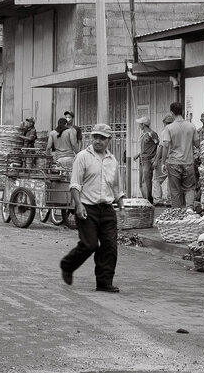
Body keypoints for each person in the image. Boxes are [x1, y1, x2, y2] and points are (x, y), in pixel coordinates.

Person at [59, 123, 122, 292]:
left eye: (102, 138)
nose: (98, 141)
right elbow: (75, 184)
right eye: (95, 137)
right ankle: (67, 265)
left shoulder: (112, 160)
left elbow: (116, 185)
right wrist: (78, 205)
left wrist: (120, 200)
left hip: (107, 208)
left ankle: (104, 282)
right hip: (87, 207)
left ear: (109, 139)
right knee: (90, 244)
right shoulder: (82, 157)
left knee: (110, 246)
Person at [156, 102, 199, 208]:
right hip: (188, 162)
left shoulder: (169, 128)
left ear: (171, 113)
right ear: (183, 111)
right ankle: (189, 210)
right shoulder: (191, 126)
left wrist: (163, 162)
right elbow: (198, 144)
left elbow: (165, 145)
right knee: (189, 188)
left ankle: (177, 212)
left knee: (175, 190)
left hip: (174, 163)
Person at [151, 113, 175, 206]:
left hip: (165, 159)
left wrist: (157, 160)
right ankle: (170, 199)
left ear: (165, 122)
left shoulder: (165, 131)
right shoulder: (176, 131)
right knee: (171, 180)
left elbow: (161, 147)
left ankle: (157, 200)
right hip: (175, 159)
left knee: (157, 179)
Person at [136, 116, 160, 203]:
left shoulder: (152, 134)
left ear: (143, 124)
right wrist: (139, 154)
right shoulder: (143, 134)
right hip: (142, 159)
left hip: (148, 160)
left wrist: (155, 159)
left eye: (140, 124)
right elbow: (147, 147)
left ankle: (149, 200)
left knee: (147, 181)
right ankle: (145, 200)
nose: (139, 126)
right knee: (141, 182)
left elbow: (158, 146)